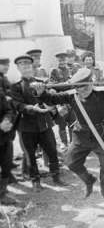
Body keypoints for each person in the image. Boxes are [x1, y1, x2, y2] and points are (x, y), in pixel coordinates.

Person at [31, 68, 104, 198]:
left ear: (92, 83)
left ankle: (103, 181)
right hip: (82, 134)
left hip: (101, 134)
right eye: (79, 88)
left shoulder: (101, 93)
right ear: (75, 88)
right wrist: (41, 92)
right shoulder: (72, 95)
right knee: (71, 162)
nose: (82, 91)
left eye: (86, 87)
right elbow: (52, 99)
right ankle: (89, 180)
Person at [10, 55, 66, 192]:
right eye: (22, 65)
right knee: (30, 155)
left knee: (52, 151)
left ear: (32, 66)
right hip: (27, 126)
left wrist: (55, 107)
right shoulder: (15, 87)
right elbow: (18, 105)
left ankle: (56, 177)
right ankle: (35, 181)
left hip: (45, 124)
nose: (26, 67)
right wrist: (32, 108)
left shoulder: (43, 82)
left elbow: (50, 99)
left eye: (28, 64)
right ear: (18, 68)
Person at [0, 57, 17, 205]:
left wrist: (7, 119)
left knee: (6, 164)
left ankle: (2, 194)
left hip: (4, 135)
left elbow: (8, 109)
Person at [50, 52, 74, 150]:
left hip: (71, 99)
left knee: (72, 122)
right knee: (62, 123)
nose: (62, 62)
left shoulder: (70, 70)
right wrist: (66, 84)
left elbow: (73, 84)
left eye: (64, 60)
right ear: (57, 61)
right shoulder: (54, 71)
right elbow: (52, 85)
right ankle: (64, 143)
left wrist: (66, 84)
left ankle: (73, 142)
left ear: (66, 60)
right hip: (60, 101)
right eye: (60, 60)